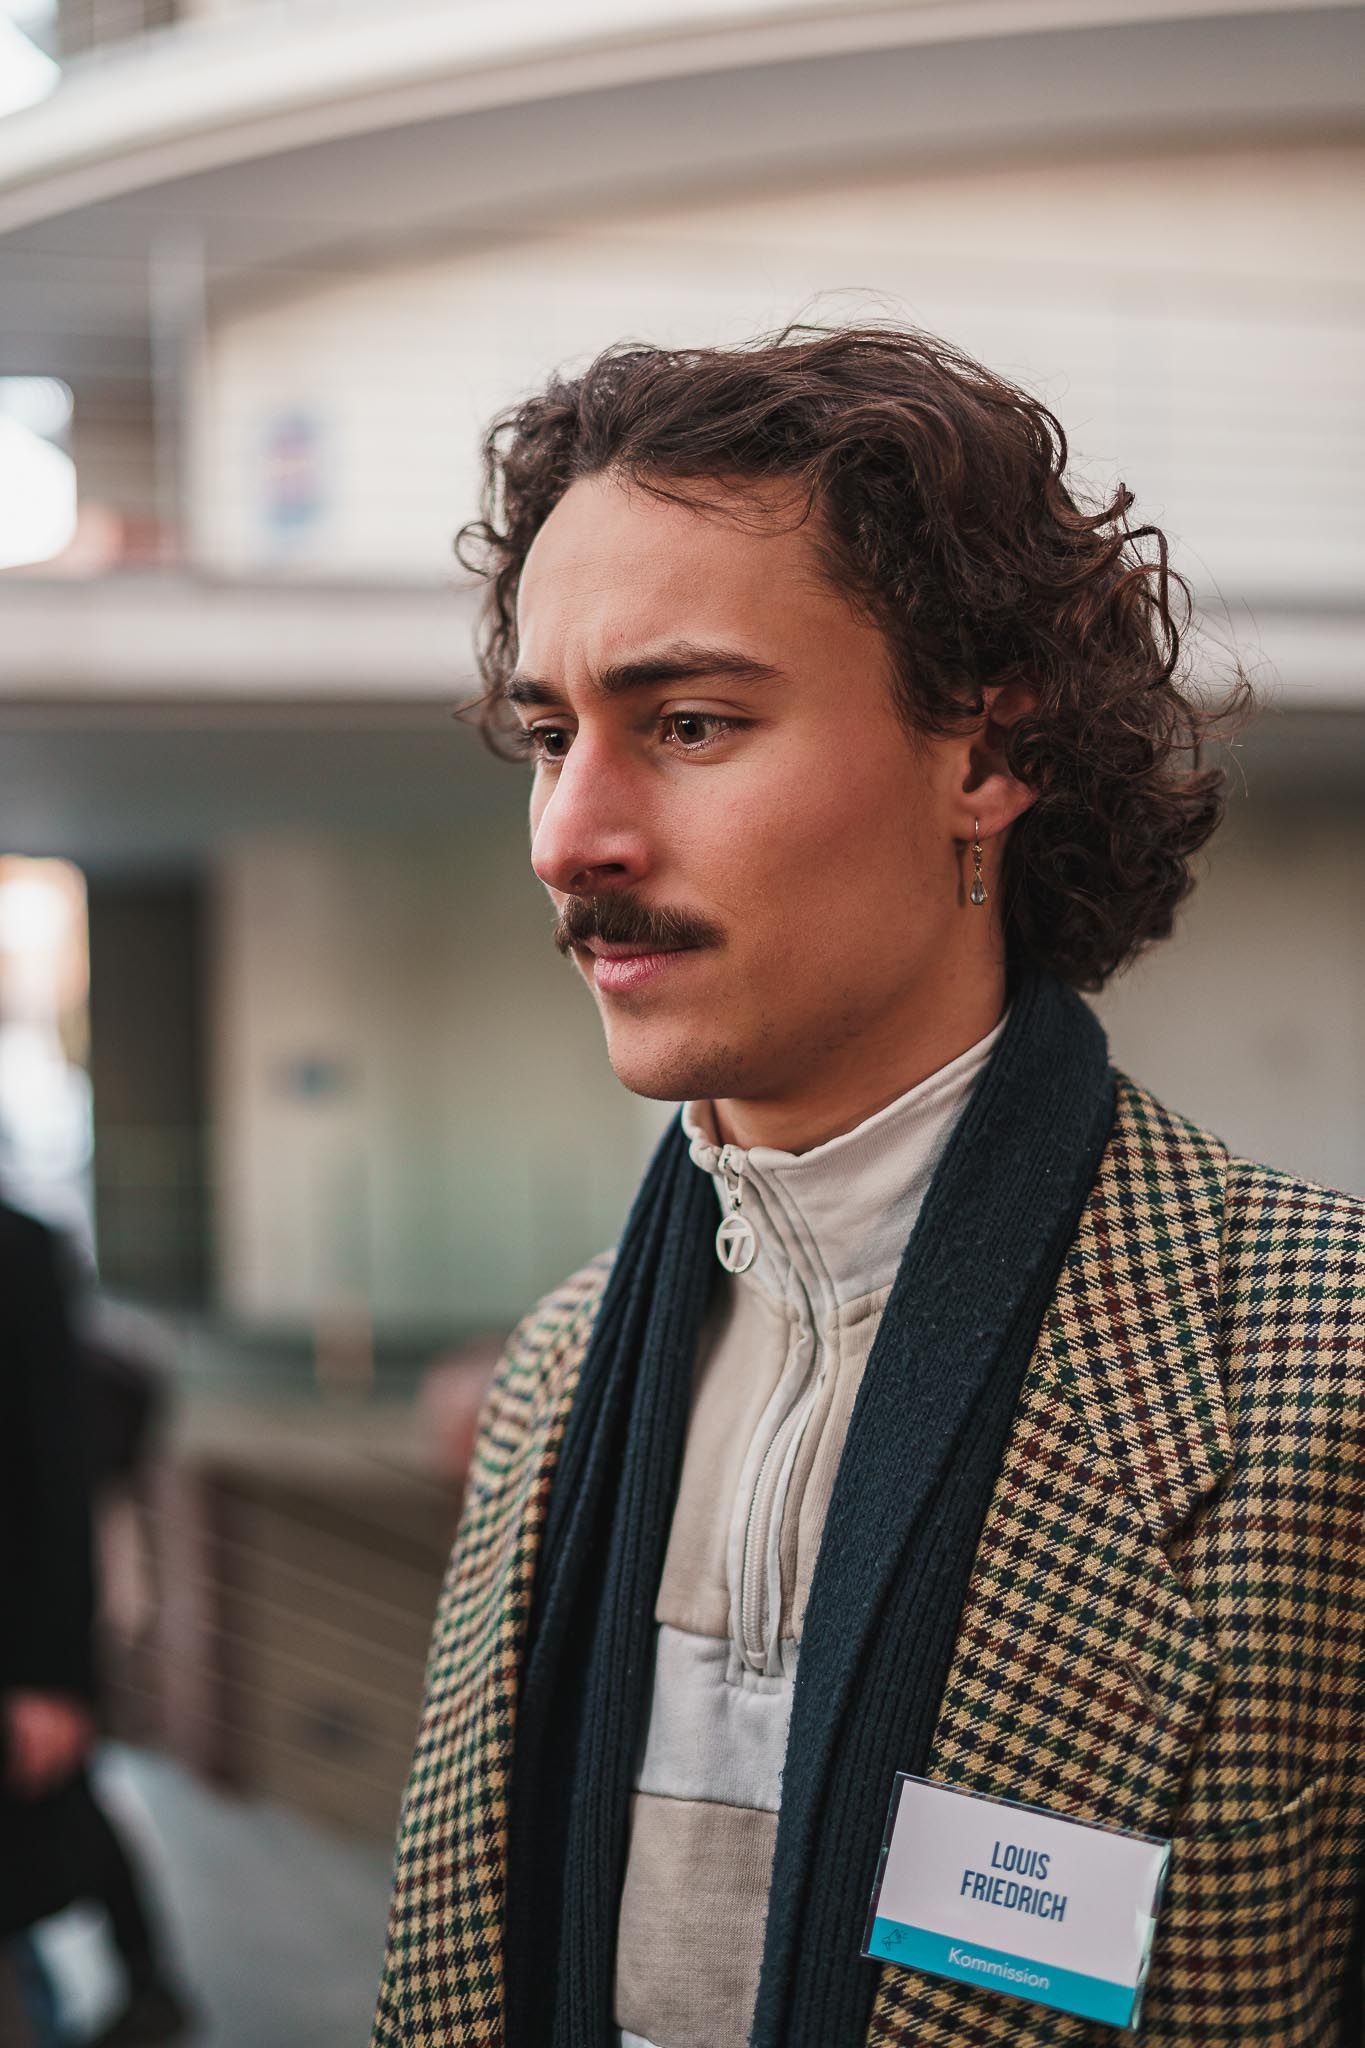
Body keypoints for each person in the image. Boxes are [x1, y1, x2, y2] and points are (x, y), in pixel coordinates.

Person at [370, 327, 1365, 2048]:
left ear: (983, 753)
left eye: (686, 720)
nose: (569, 835)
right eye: (550, 735)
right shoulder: (555, 1376)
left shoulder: (1322, 1369)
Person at [0, 1197, 192, 2048]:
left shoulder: (17, 1248)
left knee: (66, 1794)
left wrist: (50, 1676)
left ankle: (147, 1981)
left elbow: (48, 1471)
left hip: (31, 1633)